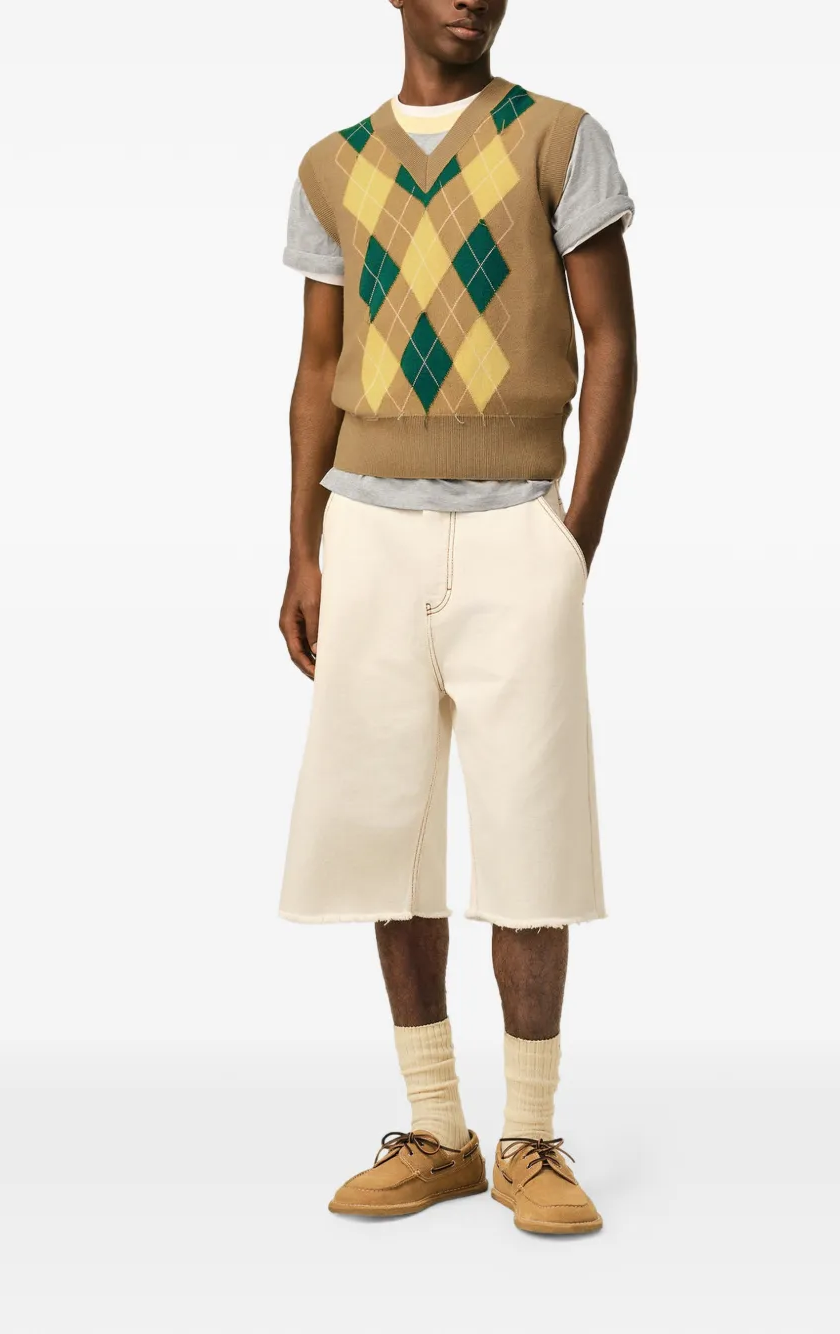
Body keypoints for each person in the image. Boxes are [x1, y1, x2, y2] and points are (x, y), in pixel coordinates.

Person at [278, 0, 636, 1236]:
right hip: (368, 534)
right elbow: (317, 366)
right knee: (388, 827)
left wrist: (574, 534)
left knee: (533, 825)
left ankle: (529, 1137)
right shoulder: (333, 166)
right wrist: (302, 547)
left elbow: (611, 341)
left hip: (516, 529)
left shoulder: (558, 138)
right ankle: (438, 1130)